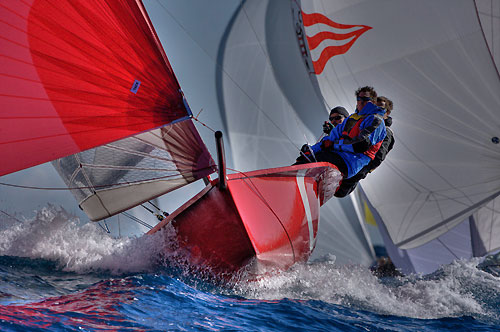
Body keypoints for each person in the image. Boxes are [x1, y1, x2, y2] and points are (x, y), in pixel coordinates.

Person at [295, 86, 386, 183]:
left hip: (350, 163)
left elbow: (360, 145)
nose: (361, 101)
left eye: (365, 99)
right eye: (359, 99)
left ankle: (298, 181)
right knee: (307, 158)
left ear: (372, 101)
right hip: (337, 156)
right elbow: (330, 138)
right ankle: (291, 179)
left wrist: (334, 145)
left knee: (318, 159)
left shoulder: (376, 121)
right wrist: (311, 150)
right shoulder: (352, 119)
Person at [334, 96, 395, 197]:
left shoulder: (386, 132)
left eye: (381, 108)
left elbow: (379, 157)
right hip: (345, 160)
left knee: (338, 192)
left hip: (356, 168)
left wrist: (362, 171)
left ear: (387, 113)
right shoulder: (365, 121)